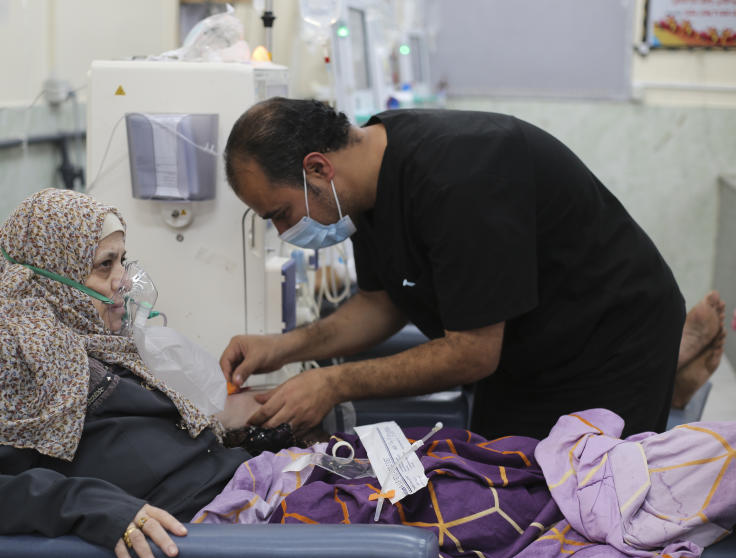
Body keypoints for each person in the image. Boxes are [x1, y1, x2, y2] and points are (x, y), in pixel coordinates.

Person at [220, 98, 685, 440]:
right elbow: (382, 305)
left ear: (318, 168)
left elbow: (472, 353)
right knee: (502, 476)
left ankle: (681, 367)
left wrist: (333, 383)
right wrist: (282, 348)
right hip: (522, 349)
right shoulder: (364, 188)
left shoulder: (457, 179)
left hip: (610, 341)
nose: (285, 230)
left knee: (586, 506)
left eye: (280, 212)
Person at [0, 188, 260, 558]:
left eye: (122, 261)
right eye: (105, 265)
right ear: (54, 273)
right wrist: (88, 503)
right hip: (203, 526)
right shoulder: (14, 350)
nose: (123, 281)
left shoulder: (88, 340)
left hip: (236, 484)